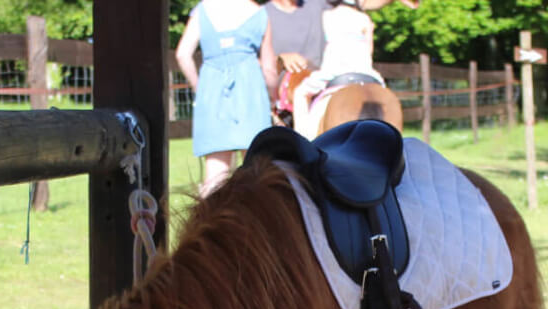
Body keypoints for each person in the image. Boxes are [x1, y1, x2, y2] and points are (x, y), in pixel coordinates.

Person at [176, 0, 279, 196]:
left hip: (212, 94)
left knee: (214, 177)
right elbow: (269, 69)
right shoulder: (259, 13)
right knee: (257, 170)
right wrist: (273, 98)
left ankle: (211, 223)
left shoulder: (203, 9)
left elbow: (182, 54)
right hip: (251, 93)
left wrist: (199, 87)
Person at [265, 0, 416, 134]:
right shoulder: (365, 19)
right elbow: (369, 51)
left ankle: (304, 142)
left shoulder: (326, 17)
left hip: (334, 73)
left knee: (301, 93)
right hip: (367, 73)